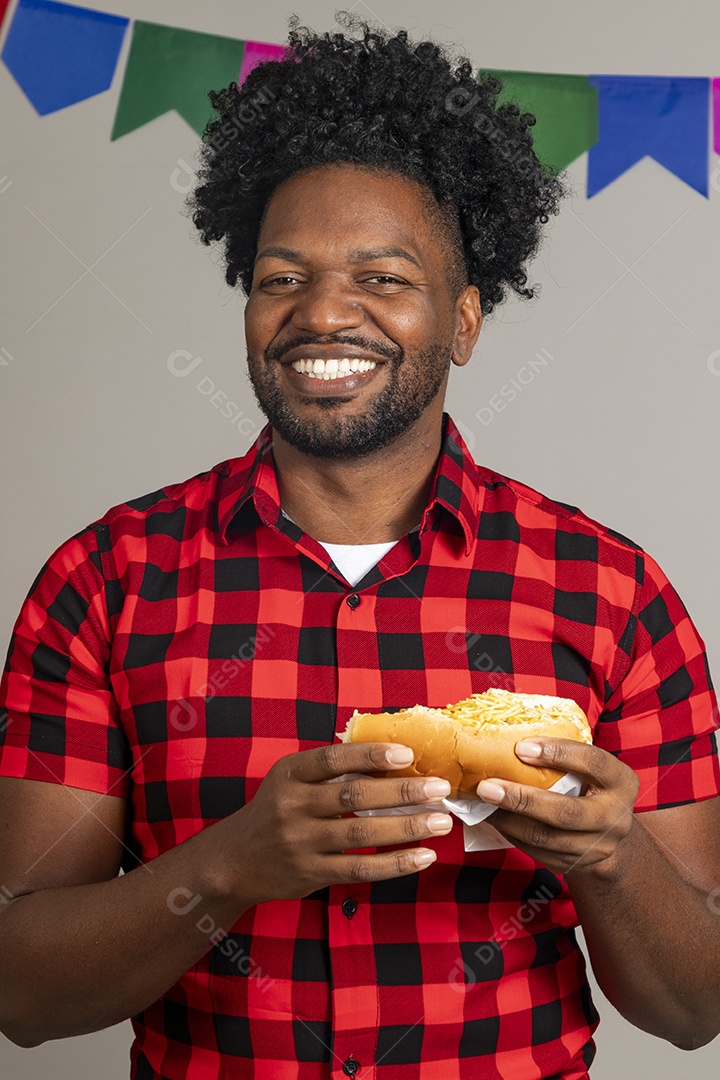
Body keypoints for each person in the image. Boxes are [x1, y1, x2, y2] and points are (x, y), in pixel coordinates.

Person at [1, 14, 719, 1080]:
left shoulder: (613, 592)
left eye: (383, 278)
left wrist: (610, 859)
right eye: (281, 278)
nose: (323, 312)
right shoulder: (104, 582)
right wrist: (233, 866)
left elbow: (695, 1009)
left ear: (465, 322)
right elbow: (22, 994)